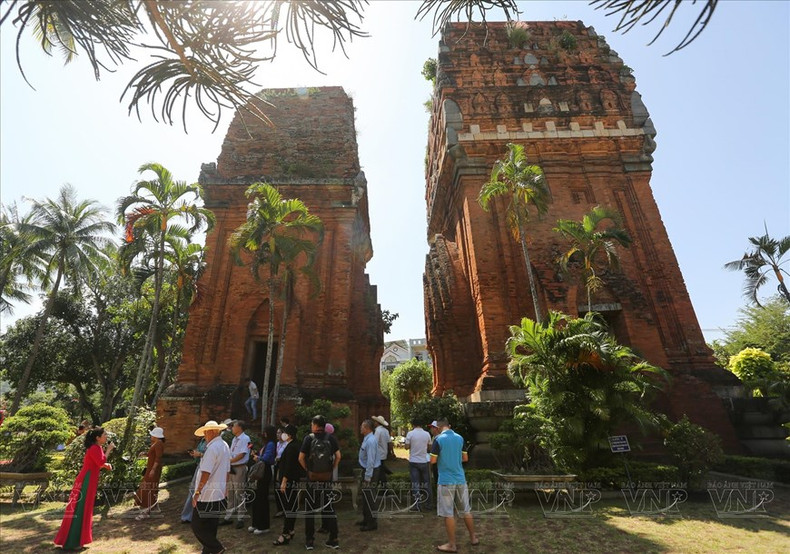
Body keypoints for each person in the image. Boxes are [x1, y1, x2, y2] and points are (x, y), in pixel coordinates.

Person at [54, 427, 114, 550]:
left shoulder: (96, 448)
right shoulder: (94, 448)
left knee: (83, 508)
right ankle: (73, 542)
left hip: (89, 479)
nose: (106, 437)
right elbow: (100, 460)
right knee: (80, 508)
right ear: (98, 437)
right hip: (86, 481)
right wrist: (109, 450)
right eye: (104, 435)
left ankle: (77, 540)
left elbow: (97, 463)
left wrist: (105, 465)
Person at [430, 418, 478, 552]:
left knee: (448, 513)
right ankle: (473, 537)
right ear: (449, 426)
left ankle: (452, 544)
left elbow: (433, 460)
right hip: (460, 479)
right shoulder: (460, 438)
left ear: (438, 428)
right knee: (466, 510)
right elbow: (465, 458)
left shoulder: (438, 440)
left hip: (446, 481)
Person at [299, 414, 341, 550]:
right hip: (326, 479)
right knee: (329, 508)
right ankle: (334, 539)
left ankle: (310, 541)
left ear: (315, 425)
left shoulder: (308, 439)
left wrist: (308, 469)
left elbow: (301, 458)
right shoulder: (331, 438)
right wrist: (331, 468)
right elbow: (339, 456)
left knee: (310, 510)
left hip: (312, 479)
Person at [191, 420, 231, 554]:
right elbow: (227, 470)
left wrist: (197, 492)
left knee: (198, 526)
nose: (205, 436)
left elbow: (205, 473)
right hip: (218, 493)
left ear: (212, 432)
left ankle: (216, 548)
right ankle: (209, 551)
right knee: (210, 526)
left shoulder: (213, 448)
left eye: (206, 433)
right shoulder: (224, 445)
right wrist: (225, 489)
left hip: (207, 494)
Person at [272, 424, 303, 547]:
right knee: (292, 507)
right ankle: (290, 530)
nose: (282, 435)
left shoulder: (291, 447)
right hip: (293, 480)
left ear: (289, 435)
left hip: (289, 481)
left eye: (284, 432)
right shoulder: (295, 445)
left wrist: (284, 482)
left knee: (288, 507)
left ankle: (285, 533)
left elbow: (289, 466)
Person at [220, 420, 251, 528]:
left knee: (239, 492)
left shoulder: (245, 438)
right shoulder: (234, 439)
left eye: (234, 426)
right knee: (231, 492)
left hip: (239, 468)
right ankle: (228, 516)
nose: (232, 428)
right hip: (232, 468)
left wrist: (229, 461)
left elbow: (242, 454)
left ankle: (240, 517)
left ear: (240, 427)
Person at [249, 424, 277, 534]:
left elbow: (267, 458)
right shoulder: (267, 444)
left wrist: (258, 457)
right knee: (257, 498)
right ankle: (256, 523)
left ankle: (263, 525)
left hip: (265, 472)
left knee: (262, 499)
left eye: (265, 432)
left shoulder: (270, 444)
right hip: (263, 471)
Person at [135, 426, 165, 519]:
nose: (150, 436)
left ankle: (146, 511)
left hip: (153, 470)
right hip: (151, 469)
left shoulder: (159, 443)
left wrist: (153, 469)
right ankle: (152, 507)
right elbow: (152, 454)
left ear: (156, 436)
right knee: (149, 488)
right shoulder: (156, 443)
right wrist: (145, 453)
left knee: (148, 489)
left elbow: (158, 458)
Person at [357, 419, 381, 532]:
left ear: (367, 429)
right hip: (368, 469)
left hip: (370, 471)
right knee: (366, 496)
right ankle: (366, 519)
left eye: (362, 426)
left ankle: (372, 522)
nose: (360, 428)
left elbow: (371, 461)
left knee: (370, 497)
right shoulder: (367, 439)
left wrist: (367, 476)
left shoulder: (371, 441)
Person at [405, 418, 432, 512]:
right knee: (427, 483)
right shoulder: (427, 434)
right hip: (424, 461)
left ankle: (417, 505)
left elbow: (406, 447)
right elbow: (429, 447)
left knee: (415, 484)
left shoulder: (410, 434)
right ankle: (429, 504)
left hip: (413, 461)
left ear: (413, 425)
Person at [181, 435, 207, 523]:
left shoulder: (213, 443)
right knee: (193, 490)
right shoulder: (203, 441)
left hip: (206, 468)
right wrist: (195, 454)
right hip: (200, 466)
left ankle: (192, 516)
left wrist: (200, 454)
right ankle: (188, 516)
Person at [372, 415, 392, 485]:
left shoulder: (378, 431)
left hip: (378, 454)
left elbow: (375, 442)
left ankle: (383, 488)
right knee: (381, 468)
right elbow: (389, 442)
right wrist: (390, 452)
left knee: (379, 472)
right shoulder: (386, 431)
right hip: (384, 453)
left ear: (377, 423)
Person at [273, 425, 288, 517]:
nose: (278, 435)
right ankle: (280, 509)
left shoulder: (287, 444)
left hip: (283, 467)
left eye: (280, 433)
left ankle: (285, 508)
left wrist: (279, 458)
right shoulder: (277, 444)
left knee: (283, 488)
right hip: (276, 466)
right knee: (276, 488)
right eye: (277, 433)